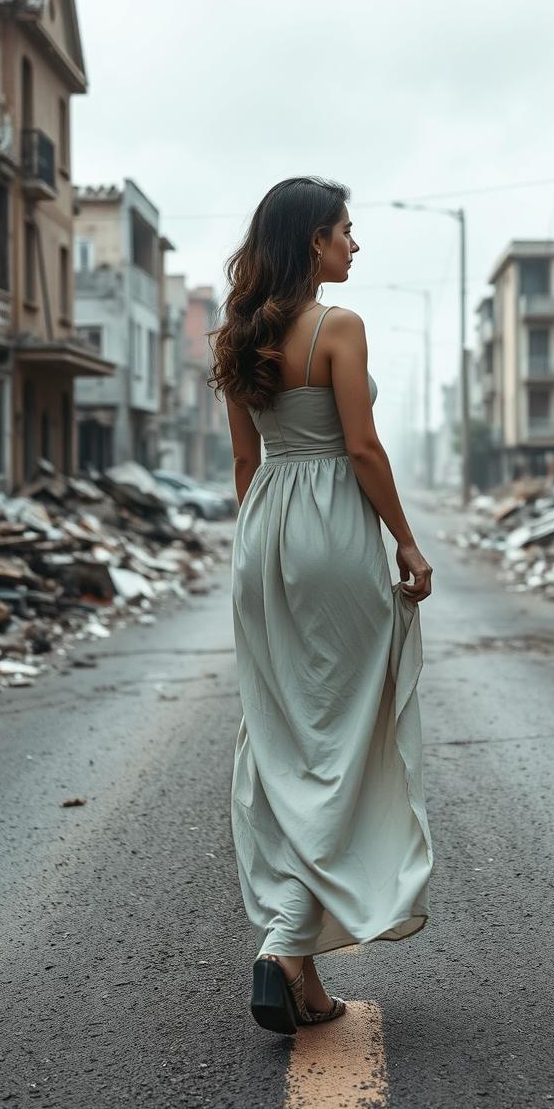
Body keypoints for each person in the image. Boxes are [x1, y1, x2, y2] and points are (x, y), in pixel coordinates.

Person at [209, 176, 435, 1035]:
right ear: (312, 241)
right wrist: (406, 543)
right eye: (346, 230)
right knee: (341, 739)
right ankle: (286, 942)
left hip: (263, 535)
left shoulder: (235, 335)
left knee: (282, 735)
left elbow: (243, 463)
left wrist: (264, 549)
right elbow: (364, 447)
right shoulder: (338, 328)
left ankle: (297, 961)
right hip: (334, 530)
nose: (355, 244)